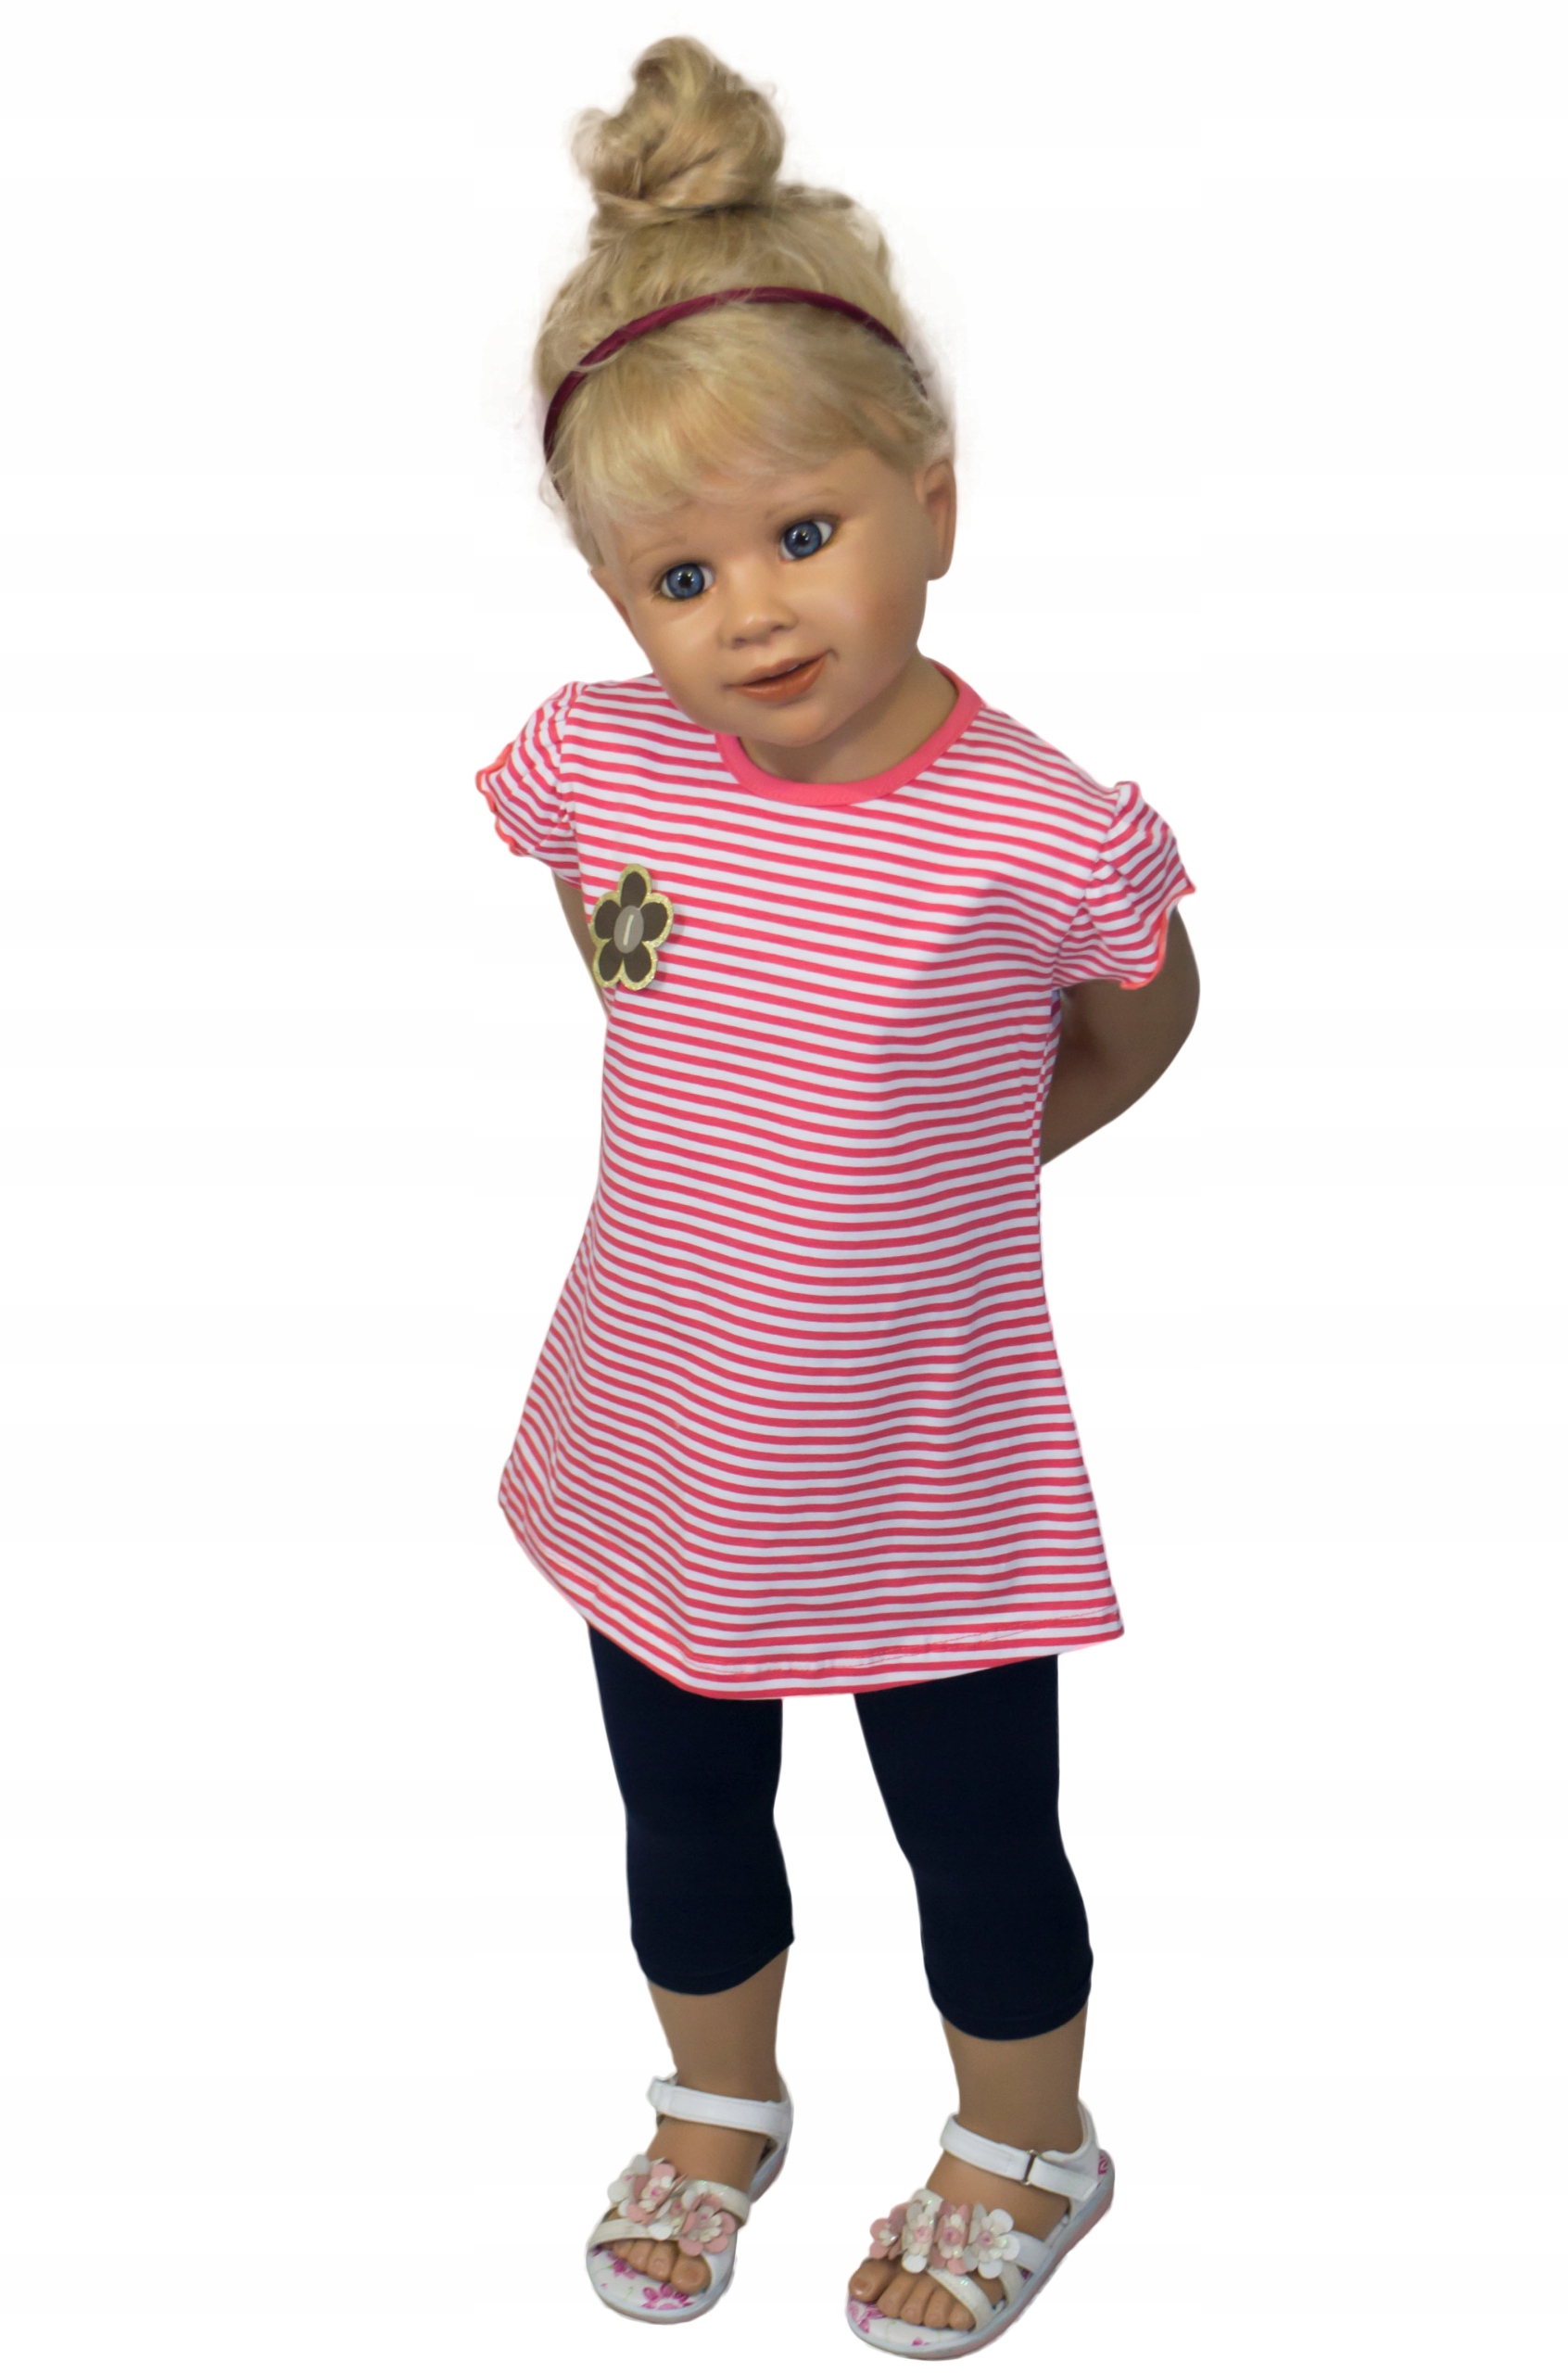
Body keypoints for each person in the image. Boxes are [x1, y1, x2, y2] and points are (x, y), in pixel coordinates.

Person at [474, 35, 1200, 2358]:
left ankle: (1028, 2140)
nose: (754, 612)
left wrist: (962, 1151)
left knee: (974, 1831)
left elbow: (1143, 1020)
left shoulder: (1039, 830)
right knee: (683, 1805)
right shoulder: (602, 763)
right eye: (680, 574)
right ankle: (717, 2099)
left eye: (805, 533)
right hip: (663, 1420)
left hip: (921, 1447)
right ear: (616, 589)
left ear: (932, 499)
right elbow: (627, 961)